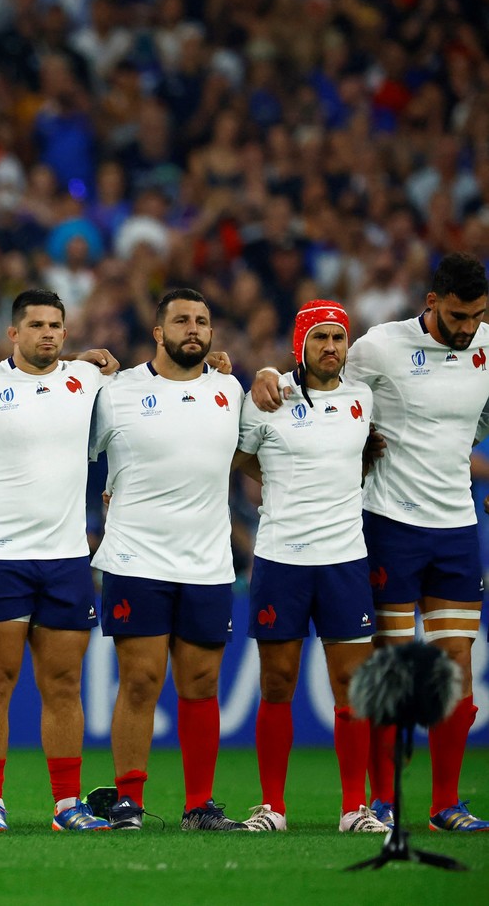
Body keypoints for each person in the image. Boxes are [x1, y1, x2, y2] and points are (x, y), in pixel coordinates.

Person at [250, 253, 489, 832]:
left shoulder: (486, 345)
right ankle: (377, 800)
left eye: (477, 318)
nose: (467, 329)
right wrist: (265, 376)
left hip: (457, 525)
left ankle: (444, 806)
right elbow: (319, 380)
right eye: (458, 316)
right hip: (386, 524)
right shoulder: (379, 347)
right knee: (383, 668)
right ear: (431, 304)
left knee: (456, 664)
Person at [92, 288, 246, 832]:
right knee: (140, 681)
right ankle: (128, 801)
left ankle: (198, 805)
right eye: (181, 320)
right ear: (158, 332)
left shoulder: (231, 390)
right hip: (137, 558)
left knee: (202, 684)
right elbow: (66, 444)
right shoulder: (118, 391)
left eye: (203, 321)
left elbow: (257, 453)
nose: (194, 329)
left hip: (206, 561)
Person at [0, 289, 109, 832]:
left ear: (66, 335)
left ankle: (67, 805)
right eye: (37, 325)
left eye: (56, 326)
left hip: (67, 555)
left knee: (64, 685)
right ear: (13, 334)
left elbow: (152, 398)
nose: (48, 333)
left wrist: (212, 367)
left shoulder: (90, 382)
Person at [236, 300, 387, 834]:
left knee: (354, 686)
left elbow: (366, 455)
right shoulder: (270, 395)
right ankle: (272, 808)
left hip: (345, 559)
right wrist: (277, 480)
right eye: (320, 338)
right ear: (302, 344)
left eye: (339, 339)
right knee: (278, 683)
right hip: (281, 558)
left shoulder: (362, 398)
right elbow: (237, 457)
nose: (331, 348)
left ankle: (355, 809)